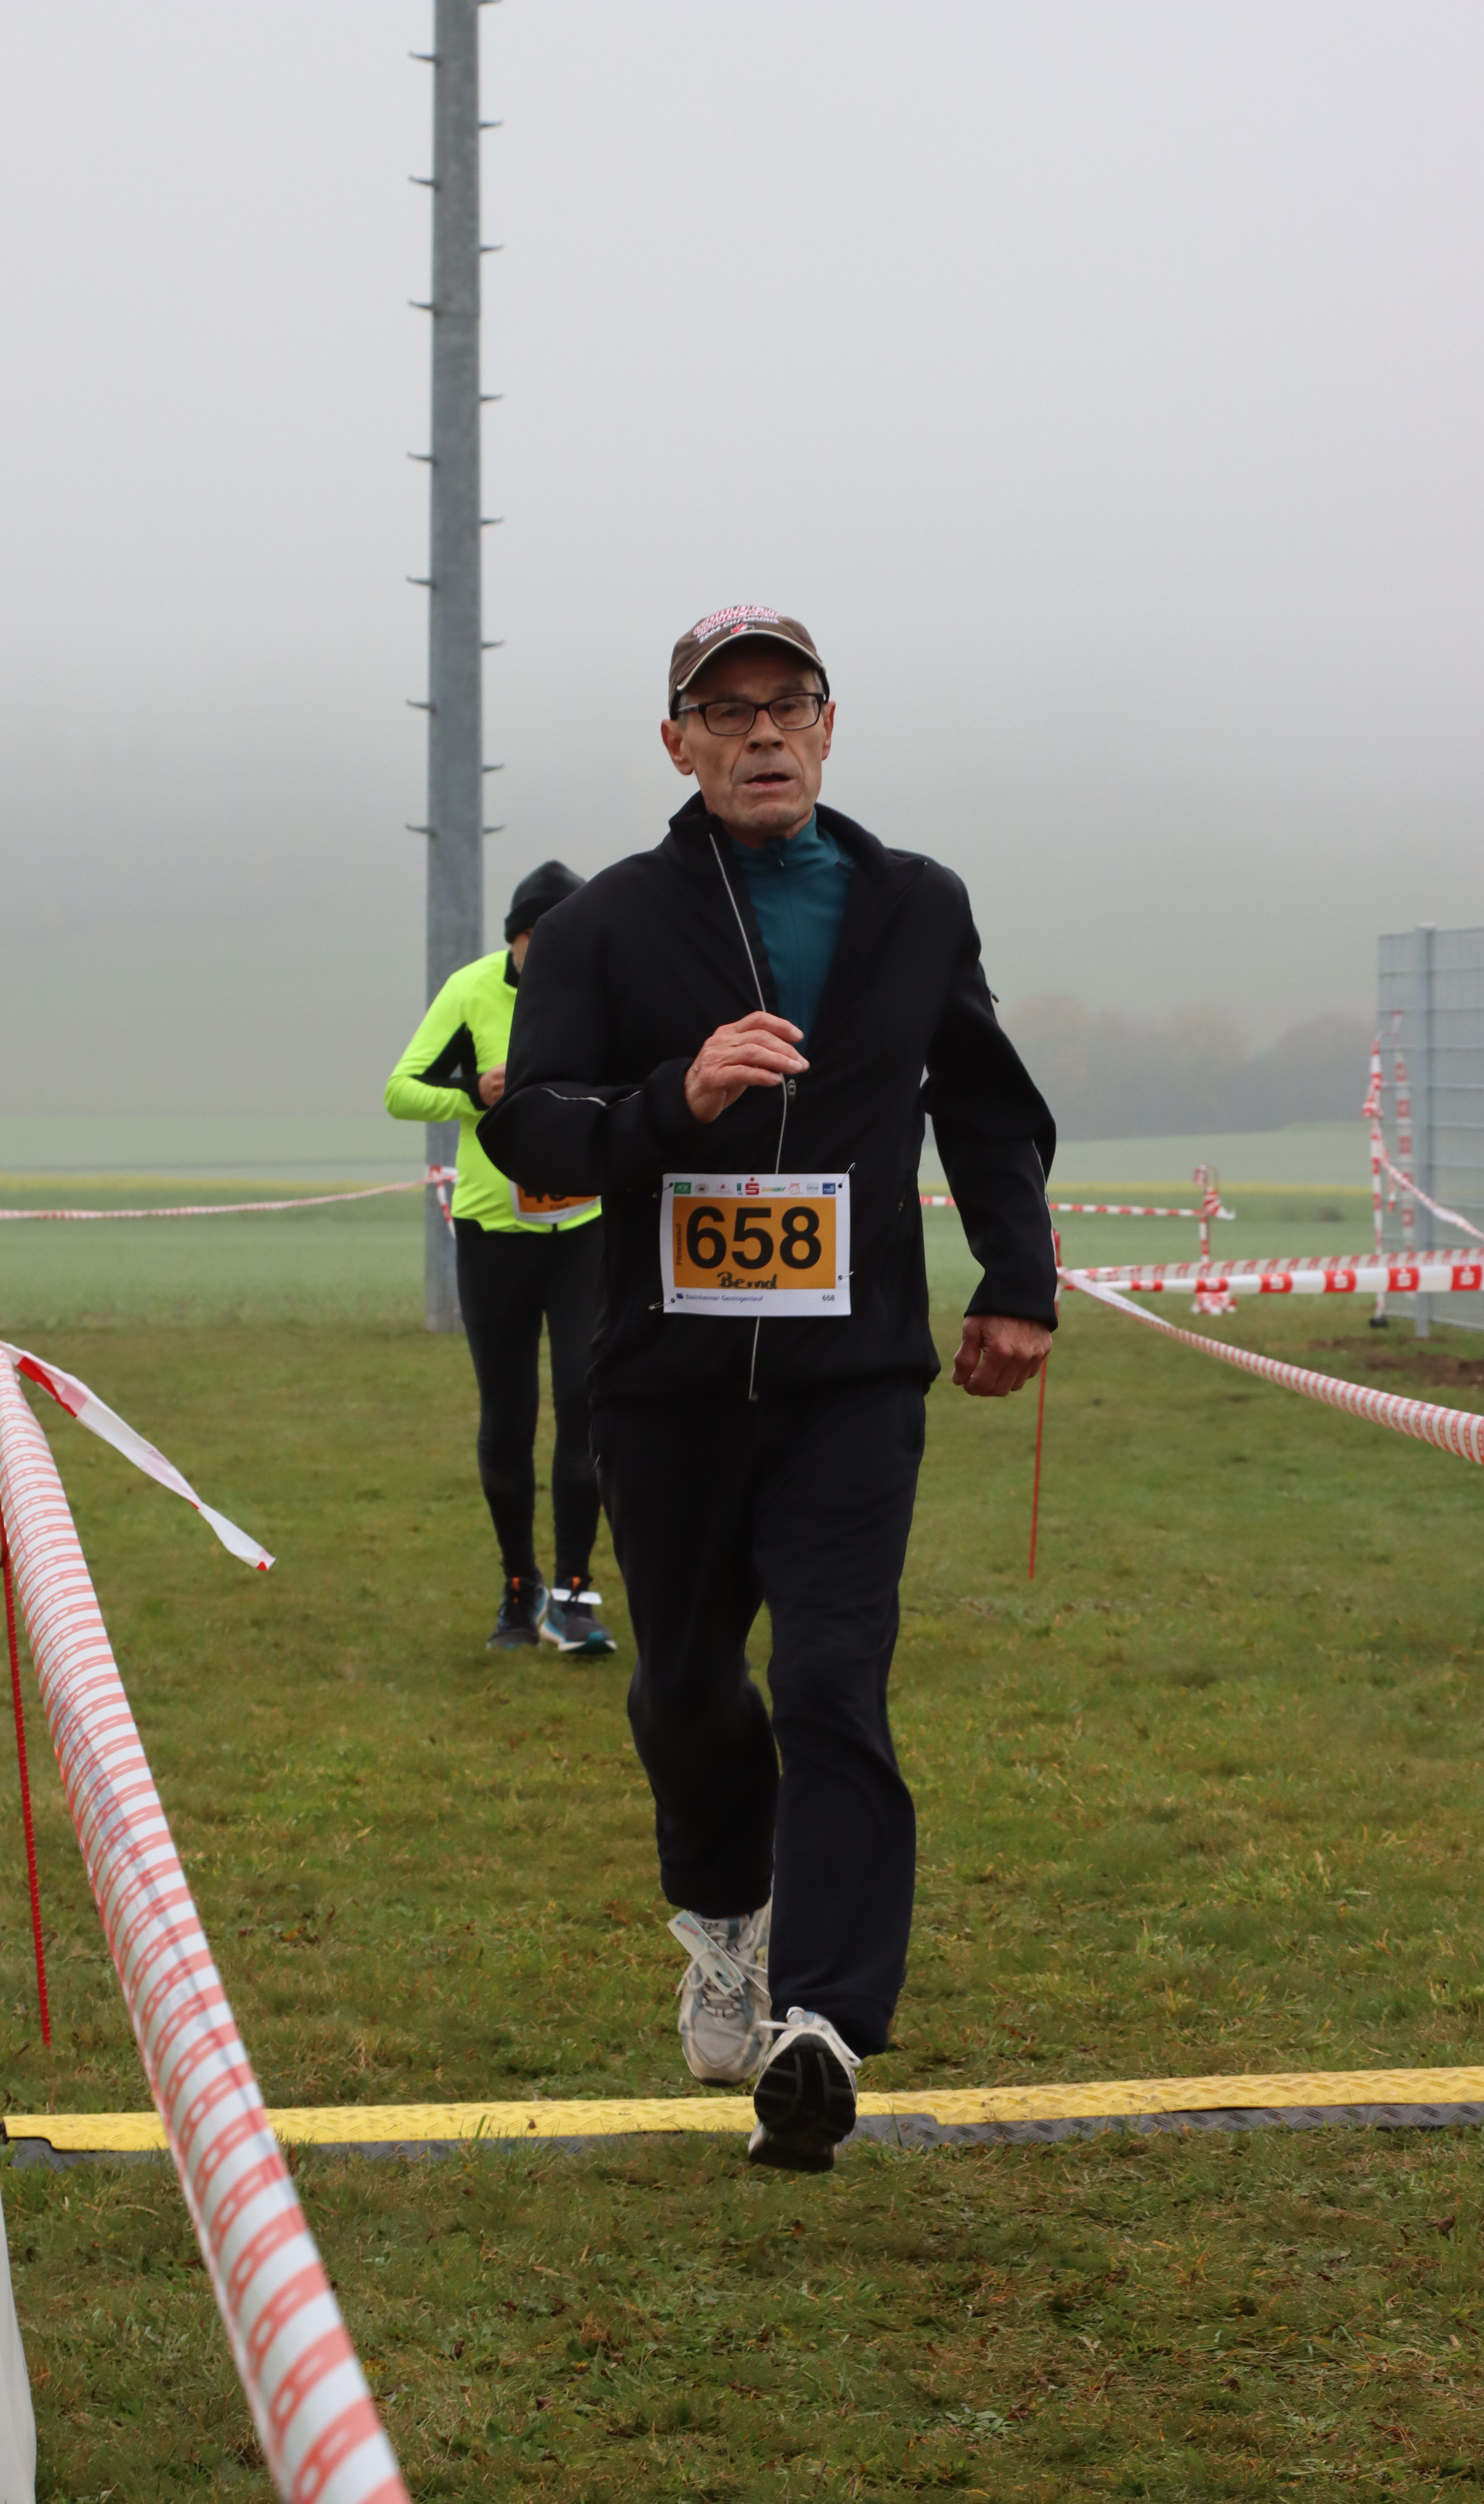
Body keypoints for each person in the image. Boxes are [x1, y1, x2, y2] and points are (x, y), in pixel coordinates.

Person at [479, 606, 1055, 2171]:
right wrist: (675, 1098)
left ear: (829, 725)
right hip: (667, 1385)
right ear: (677, 744)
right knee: (684, 1690)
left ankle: (823, 2023)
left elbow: (986, 1104)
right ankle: (729, 1927)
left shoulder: (916, 904)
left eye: (788, 703)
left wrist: (1018, 1280)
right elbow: (534, 1136)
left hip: (850, 1378)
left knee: (833, 1681)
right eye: (725, 711)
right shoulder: (608, 924)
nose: (762, 733)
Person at [385, 861, 616, 1658]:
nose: (547, 952)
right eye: (534, 939)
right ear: (514, 939)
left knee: (586, 1402)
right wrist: (473, 1095)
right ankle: (520, 1589)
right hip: (494, 1231)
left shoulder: (601, 988)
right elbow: (401, 1089)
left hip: (585, 1226)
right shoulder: (471, 990)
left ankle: (573, 1596)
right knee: (509, 1416)